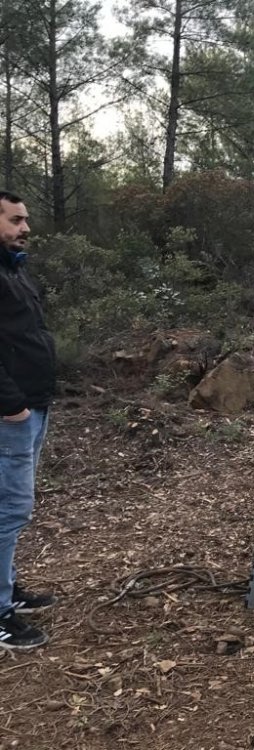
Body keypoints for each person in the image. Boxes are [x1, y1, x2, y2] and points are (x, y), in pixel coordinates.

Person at [0, 191, 57, 651]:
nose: (26, 228)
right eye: (17, 219)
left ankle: (7, 588)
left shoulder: (14, 270)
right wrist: (11, 405)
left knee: (11, 510)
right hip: (11, 414)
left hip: (31, 407)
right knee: (8, 510)